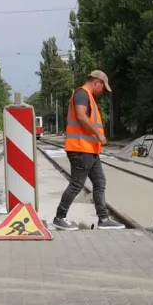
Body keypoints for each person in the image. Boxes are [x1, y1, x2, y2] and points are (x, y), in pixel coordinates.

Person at [53, 70, 125, 231]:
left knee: (100, 182)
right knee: (77, 184)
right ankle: (59, 217)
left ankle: (103, 219)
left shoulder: (88, 96)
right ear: (96, 82)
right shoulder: (82, 94)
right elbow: (80, 116)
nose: (102, 92)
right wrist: (98, 133)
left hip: (90, 150)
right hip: (80, 148)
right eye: (103, 88)